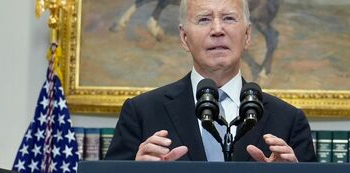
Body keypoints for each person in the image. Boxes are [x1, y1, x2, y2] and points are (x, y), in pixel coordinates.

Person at [104, 0, 317, 162]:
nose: (217, 30)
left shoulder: (289, 121)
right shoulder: (141, 113)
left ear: (248, 35)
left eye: (229, 18)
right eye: (204, 19)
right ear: (184, 38)